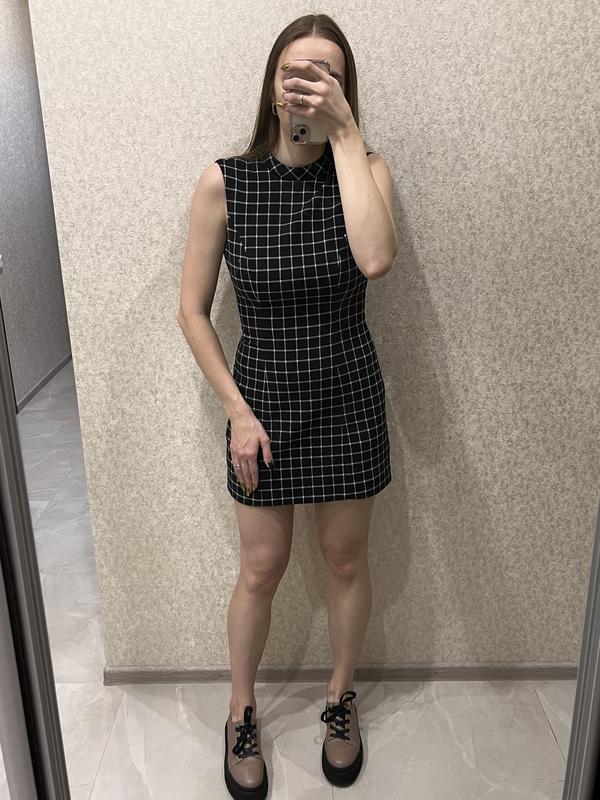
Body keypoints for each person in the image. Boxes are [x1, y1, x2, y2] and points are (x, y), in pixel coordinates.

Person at [177, 13, 397, 799]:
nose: (307, 84)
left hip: (348, 395)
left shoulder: (367, 169)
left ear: (345, 88)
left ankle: (340, 700)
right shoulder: (225, 182)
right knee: (261, 569)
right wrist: (236, 411)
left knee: (345, 561)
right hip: (262, 403)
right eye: (295, 71)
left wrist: (346, 135)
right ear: (271, 83)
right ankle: (241, 711)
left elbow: (376, 259)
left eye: (326, 73)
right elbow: (192, 311)